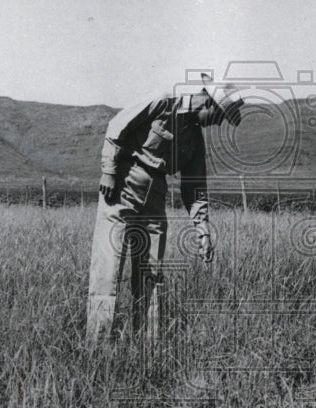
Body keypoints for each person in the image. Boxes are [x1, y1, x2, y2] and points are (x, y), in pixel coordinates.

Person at [87, 74, 244, 339]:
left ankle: (146, 347)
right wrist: (109, 171)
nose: (214, 125)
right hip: (122, 186)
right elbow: (118, 126)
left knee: (151, 273)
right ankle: (98, 346)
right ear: (208, 102)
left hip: (156, 196)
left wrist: (202, 228)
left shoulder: (195, 137)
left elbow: (194, 186)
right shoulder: (162, 100)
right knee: (108, 269)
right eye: (217, 117)